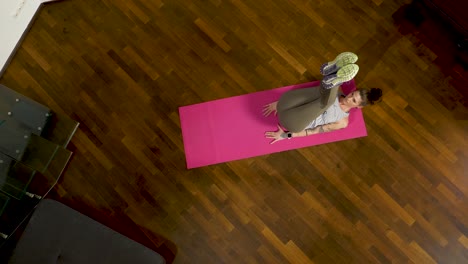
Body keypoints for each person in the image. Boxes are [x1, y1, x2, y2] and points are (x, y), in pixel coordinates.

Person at [262, 52, 382, 144]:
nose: (349, 98)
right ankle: (333, 71)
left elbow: (313, 131)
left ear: (358, 106)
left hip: (294, 122)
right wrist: (279, 104)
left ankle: (335, 76)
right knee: (321, 92)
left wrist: (285, 136)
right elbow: (304, 96)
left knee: (324, 101)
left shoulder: (342, 122)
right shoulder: (336, 92)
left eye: (354, 100)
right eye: (352, 94)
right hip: (287, 104)